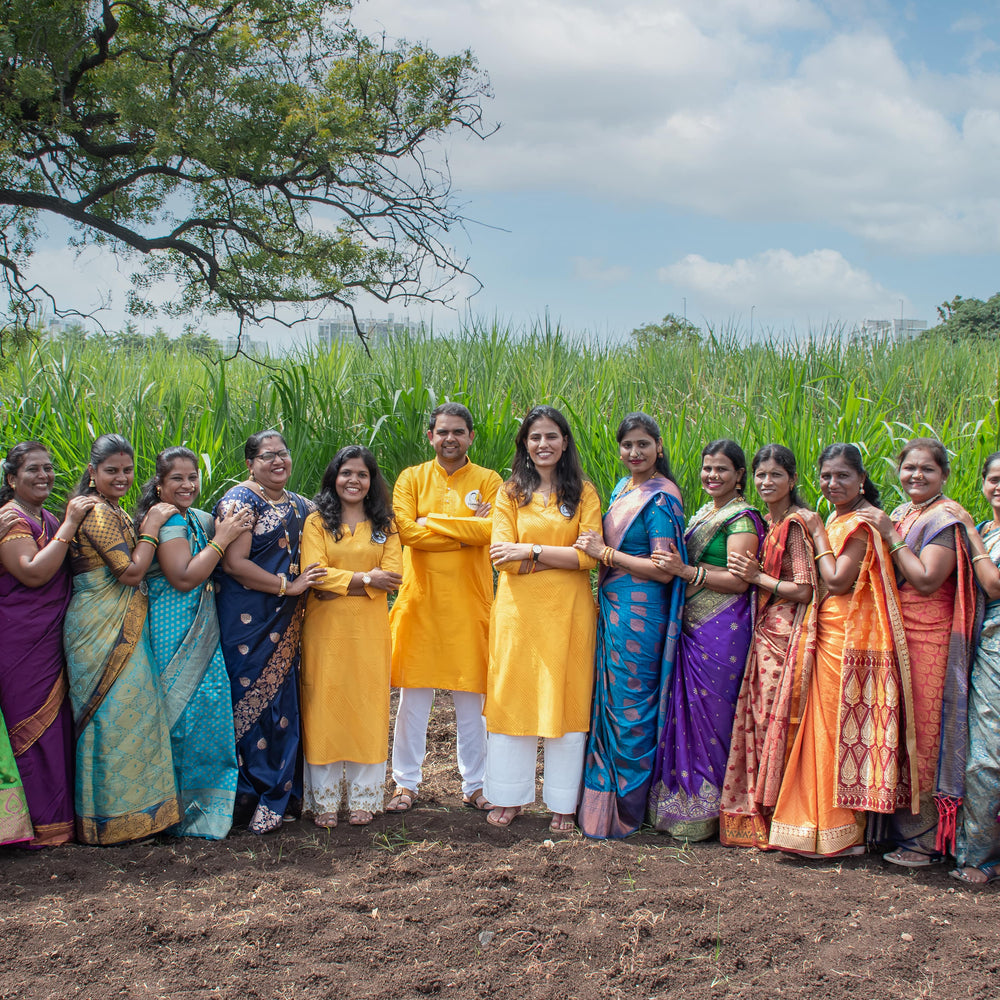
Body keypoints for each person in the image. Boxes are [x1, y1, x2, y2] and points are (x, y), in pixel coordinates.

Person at [769, 443, 918, 858]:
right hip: (826, 628)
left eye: (843, 476)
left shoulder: (860, 523)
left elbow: (835, 580)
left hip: (846, 634)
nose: (832, 484)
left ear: (862, 480)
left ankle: (844, 834)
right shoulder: (839, 517)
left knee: (835, 730)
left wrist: (816, 532)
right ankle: (813, 826)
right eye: (826, 476)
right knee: (817, 727)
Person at [857, 439, 977, 867]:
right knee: (896, 726)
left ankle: (925, 840)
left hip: (929, 635)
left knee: (923, 732)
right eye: (909, 468)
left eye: (927, 469)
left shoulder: (943, 519)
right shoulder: (907, 513)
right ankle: (893, 830)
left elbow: (926, 579)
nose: (916, 476)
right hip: (896, 631)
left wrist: (888, 534)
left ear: (943, 475)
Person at [484, 405, 601, 832]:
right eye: (534, 437)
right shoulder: (510, 492)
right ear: (525, 445)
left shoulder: (583, 493)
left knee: (565, 700)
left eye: (551, 436)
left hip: (568, 615)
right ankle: (508, 795)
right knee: (514, 696)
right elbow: (502, 557)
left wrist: (531, 550)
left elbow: (590, 556)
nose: (543, 444)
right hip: (519, 614)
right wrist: (561, 558)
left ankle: (562, 801)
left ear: (564, 442)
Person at [63, 434, 181, 844]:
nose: (121, 477)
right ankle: (110, 822)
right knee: (111, 717)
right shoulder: (96, 511)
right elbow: (129, 573)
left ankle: (144, 815)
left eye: (128, 470)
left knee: (139, 711)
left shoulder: (113, 509)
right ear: (93, 473)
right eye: (111, 470)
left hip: (122, 621)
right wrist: (150, 529)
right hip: (99, 626)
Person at [575, 413, 686, 839]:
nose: (634, 453)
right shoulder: (626, 488)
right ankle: (602, 805)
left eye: (643, 444)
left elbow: (662, 570)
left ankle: (627, 808)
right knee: (608, 700)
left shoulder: (660, 498)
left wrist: (605, 555)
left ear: (659, 446)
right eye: (627, 446)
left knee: (630, 707)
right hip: (615, 607)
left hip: (641, 614)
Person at [387, 403, 502, 813]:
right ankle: (405, 784)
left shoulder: (490, 480)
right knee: (412, 704)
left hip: (470, 605)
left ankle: (476, 785)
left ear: (471, 436)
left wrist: (430, 520)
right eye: (442, 432)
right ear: (430, 436)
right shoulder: (411, 478)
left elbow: (493, 530)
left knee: (472, 703)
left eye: (458, 431)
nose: (449, 438)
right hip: (420, 604)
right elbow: (406, 532)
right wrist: (466, 531)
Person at [649, 439, 764, 841]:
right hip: (691, 627)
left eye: (721, 470)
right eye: (707, 469)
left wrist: (685, 571)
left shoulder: (742, 520)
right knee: (685, 713)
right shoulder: (705, 512)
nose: (712, 476)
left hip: (721, 630)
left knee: (712, 716)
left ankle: (710, 811)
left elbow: (738, 581)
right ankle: (678, 804)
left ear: (739, 477)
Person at [137, 447, 252, 839]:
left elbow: (224, 522)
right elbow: (184, 576)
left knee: (206, 713)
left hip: (201, 631)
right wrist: (222, 540)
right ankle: (178, 815)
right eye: (177, 479)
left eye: (192, 478)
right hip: (173, 632)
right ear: (159, 485)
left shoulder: (194, 519)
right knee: (181, 719)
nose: (187, 485)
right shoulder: (169, 523)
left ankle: (204, 812)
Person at [215, 430, 326, 834]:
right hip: (247, 620)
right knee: (246, 699)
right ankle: (248, 798)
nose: (278, 461)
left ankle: (283, 796)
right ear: (250, 463)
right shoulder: (240, 502)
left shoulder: (302, 505)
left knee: (284, 705)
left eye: (283, 453)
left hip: (288, 623)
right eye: (267, 456)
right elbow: (234, 563)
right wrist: (287, 587)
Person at [720, 445, 818, 848]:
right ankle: (761, 812)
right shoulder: (767, 522)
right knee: (760, 718)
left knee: (775, 719)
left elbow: (806, 588)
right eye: (761, 475)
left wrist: (759, 579)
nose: (766, 483)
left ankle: (780, 813)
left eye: (776, 475)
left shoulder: (794, 526)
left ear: (792, 480)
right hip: (764, 628)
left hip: (785, 630)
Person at [0, 441, 97, 846]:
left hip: (53, 637)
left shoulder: (47, 518)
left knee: (56, 727)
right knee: (28, 727)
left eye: (48, 468)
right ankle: (28, 826)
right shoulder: (11, 520)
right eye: (33, 470)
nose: (44, 476)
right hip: (19, 638)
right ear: (11, 479)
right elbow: (34, 574)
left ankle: (55, 824)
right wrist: (71, 523)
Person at [300, 446, 402, 827]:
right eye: (346, 473)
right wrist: (365, 579)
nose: (353, 481)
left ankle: (365, 796)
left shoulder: (385, 525)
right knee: (323, 705)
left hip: (370, 633)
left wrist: (342, 583)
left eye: (362, 474)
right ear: (334, 477)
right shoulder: (316, 523)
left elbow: (393, 576)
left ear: (372, 481)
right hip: (325, 632)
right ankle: (323, 799)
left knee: (367, 707)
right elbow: (316, 577)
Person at [944, 453, 1000, 885]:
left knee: (989, 757)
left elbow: (994, 584)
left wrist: (969, 533)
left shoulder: (977, 535)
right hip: (982, 648)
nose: (998, 487)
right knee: (981, 753)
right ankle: (979, 853)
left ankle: (982, 858)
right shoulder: (984, 530)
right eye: (994, 479)